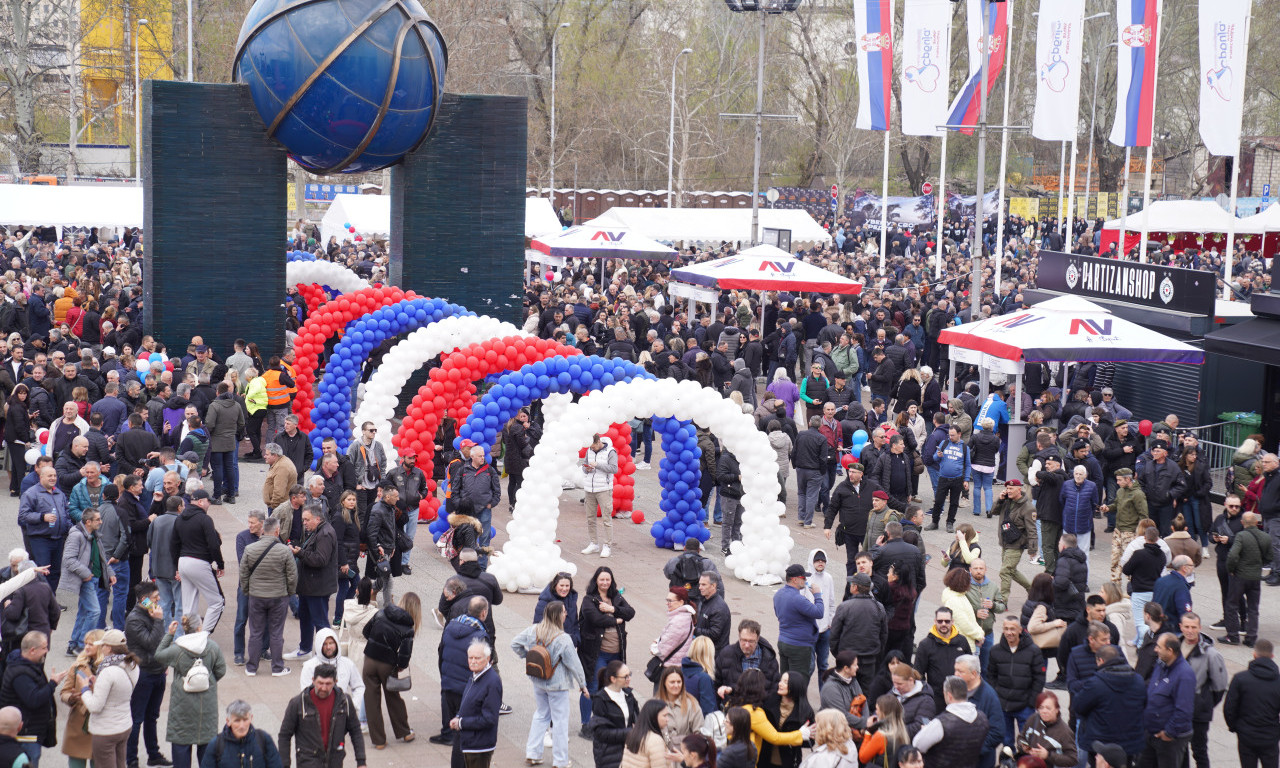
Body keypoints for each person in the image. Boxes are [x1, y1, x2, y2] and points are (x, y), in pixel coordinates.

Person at [512, 600, 588, 768]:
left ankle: (533, 754)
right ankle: (560, 761)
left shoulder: (534, 631)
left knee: (541, 715)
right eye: (564, 611)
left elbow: (514, 643)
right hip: (558, 685)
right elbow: (574, 665)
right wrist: (583, 685)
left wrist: (527, 655)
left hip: (538, 681)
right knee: (560, 721)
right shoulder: (563, 639)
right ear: (558, 616)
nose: (566, 613)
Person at [155, 614, 228, 768]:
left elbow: (159, 655)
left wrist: (169, 635)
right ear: (199, 627)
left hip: (182, 705)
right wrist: (209, 681)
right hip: (206, 705)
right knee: (206, 749)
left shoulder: (177, 649)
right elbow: (221, 669)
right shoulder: (212, 647)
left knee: (181, 743)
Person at [278, 663, 366, 768]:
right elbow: (284, 735)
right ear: (313, 680)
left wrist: (361, 762)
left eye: (328, 684)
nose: (323, 688)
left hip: (335, 761)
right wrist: (284, 764)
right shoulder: (298, 703)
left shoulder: (344, 702)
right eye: (320, 683)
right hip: (308, 762)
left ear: (335, 682)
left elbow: (355, 731)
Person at [240, 516, 297, 677]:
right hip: (278, 596)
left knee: (255, 632)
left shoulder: (250, 549)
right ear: (277, 531)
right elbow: (292, 576)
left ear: (263, 530)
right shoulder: (285, 551)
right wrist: (290, 593)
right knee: (276, 633)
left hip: (256, 595)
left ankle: (251, 667)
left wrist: (247, 590)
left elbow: (243, 574)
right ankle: (277, 667)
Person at [361, 592, 419, 749]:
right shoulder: (408, 628)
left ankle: (379, 741)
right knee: (393, 698)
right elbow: (405, 655)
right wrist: (400, 664)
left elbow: (366, 631)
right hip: (387, 664)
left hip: (369, 660)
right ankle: (404, 732)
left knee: (371, 700)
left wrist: (375, 644)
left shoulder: (381, 613)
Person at [578, 566, 635, 725]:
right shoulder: (589, 600)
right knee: (593, 687)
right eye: (601, 579)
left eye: (607, 579)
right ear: (596, 581)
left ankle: (609, 719)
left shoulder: (616, 597)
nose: (605, 582)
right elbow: (596, 619)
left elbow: (630, 612)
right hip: (598, 653)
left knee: (616, 686)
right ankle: (586, 724)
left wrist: (612, 609)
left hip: (617, 653)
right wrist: (616, 619)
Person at [125, 581, 171, 767]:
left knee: (152, 716)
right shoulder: (135, 619)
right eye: (155, 597)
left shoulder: (152, 612)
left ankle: (153, 754)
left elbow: (162, 642)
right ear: (144, 600)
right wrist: (159, 621)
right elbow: (152, 643)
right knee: (137, 718)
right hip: (143, 674)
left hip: (158, 671)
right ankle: (131, 759)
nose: (158, 599)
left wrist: (164, 662)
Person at [80, 628, 140, 768]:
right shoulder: (132, 665)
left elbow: (95, 706)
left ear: (109, 648)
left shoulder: (107, 671)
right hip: (124, 725)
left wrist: (84, 689)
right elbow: (119, 690)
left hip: (105, 731)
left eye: (103, 645)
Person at [434, 597, 489, 747]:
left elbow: (441, 650)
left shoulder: (451, 625)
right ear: (483, 613)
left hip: (447, 677)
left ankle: (447, 735)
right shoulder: (480, 635)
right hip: (466, 682)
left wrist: (443, 673)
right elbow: (482, 664)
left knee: (447, 706)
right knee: (465, 712)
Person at [286, 506, 338, 661]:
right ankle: (305, 649)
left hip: (318, 588)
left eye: (307, 519)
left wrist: (300, 553)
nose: (304, 523)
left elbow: (320, 559)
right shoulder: (318, 531)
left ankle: (326, 655)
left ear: (318, 518)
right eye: (303, 520)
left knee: (320, 622)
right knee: (306, 618)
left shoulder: (325, 534)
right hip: (308, 586)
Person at [59, 507, 111, 656]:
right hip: (86, 579)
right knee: (95, 611)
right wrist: (86, 573)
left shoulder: (94, 534)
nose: (101, 522)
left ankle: (73, 645)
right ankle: (82, 645)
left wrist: (110, 573)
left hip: (93, 579)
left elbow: (101, 557)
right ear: (88, 521)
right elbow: (68, 559)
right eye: (98, 519)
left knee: (84, 612)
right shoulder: (76, 536)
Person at [725, 668, 810, 760]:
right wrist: (799, 734)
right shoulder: (754, 713)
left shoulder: (731, 704)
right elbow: (775, 737)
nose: (779, 684)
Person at [172, 490, 226, 632]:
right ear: (201, 501)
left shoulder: (179, 518)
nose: (209, 504)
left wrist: (176, 567)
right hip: (199, 562)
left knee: (188, 606)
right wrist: (220, 564)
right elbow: (213, 544)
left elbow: (174, 544)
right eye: (208, 501)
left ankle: (188, 636)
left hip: (183, 562)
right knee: (217, 602)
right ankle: (202, 637)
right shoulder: (204, 519)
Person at [1178, 613, 1227, 768]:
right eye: (1186, 627)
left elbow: (1219, 686)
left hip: (1198, 712)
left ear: (1199, 628)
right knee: (1180, 750)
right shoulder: (1175, 647)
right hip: (1177, 709)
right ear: (1181, 627)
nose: (1190, 630)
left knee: (1199, 750)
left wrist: (1203, 702)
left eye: (1193, 627)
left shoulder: (1210, 654)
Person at [990, 614, 1047, 746]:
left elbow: (1039, 678)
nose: (1009, 632)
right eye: (1006, 629)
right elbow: (991, 676)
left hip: (1025, 707)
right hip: (1003, 706)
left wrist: (1032, 702)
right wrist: (997, 697)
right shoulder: (995, 651)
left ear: (1020, 630)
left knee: (1026, 744)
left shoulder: (1034, 651)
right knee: (1007, 744)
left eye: (1012, 629)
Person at [1140, 633, 1195, 768]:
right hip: (1151, 733)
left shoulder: (1184, 675)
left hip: (1168, 739)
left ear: (1170, 651)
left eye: (1159, 647)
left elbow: (1184, 710)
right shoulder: (1161, 665)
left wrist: (1169, 732)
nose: (1155, 650)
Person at [1224, 637, 1280, 768]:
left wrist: (1235, 727)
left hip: (1246, 735)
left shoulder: (1240, 679)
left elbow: (1229, 708)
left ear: (1254, 655)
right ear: (1272, 656)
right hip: (1270, 736)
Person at [298, 627, 365, 732]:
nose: (328, 647)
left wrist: (352, 706)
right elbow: (305, 692)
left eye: (331, 643)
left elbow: (359, 686)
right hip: (317, 718)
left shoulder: (347, 664)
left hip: (341, 717)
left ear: (337, 643)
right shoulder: (309, 666)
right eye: (324, 644)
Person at [911, 676, 989, 768]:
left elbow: (917, 745)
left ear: (949, 695)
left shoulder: (940, 724)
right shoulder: (982, 719)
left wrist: (925, 731)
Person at [830, 572, 886, 692]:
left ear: (855, 587)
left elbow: (834, 635)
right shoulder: (879, 607)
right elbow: (883, 635)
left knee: (844, 692)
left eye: (851, 583)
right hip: (869, 660)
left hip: (847, 661)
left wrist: (839, 655)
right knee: (864, 695)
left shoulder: (845, 607)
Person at [1222, 512, 1271, 647]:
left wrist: (1231, 569)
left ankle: (1232, 636)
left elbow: (1232, 555)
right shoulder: (1265, 537)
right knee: (1253, 609)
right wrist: (1259, 564)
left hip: (1240, 576)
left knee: (1232, 605)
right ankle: (1251, 638)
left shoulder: (1241, 536)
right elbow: (1270, 556)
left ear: (1242, 523)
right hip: (1255, 577)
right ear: (1256, 523)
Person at [59, 628, 105, 768]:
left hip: (100, 724)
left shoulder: (107, 668)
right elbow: (64, 692)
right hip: (79, 726)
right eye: (85, 643)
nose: (86, 647)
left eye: (91, 644)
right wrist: (70, 698)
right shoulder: (78, 666)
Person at [772, 564, 824, 686]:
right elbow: (819, 612)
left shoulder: (778, 594)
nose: (805, 580)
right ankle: (797, 705)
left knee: (785, 681)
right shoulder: (797, 599)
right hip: (799, 647)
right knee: (798, 685)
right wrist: (817, 595)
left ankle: (784, 704)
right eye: (803, 578)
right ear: (795, 579)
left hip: (784, 642)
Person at [912, 607, 971, 712]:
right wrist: (927, 695)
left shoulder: (962, 641)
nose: (943, 624)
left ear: (952, 622)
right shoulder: (925, 645)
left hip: (960, 697)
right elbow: (918, 674)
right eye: (940, 621)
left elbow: (970, 667)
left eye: (947, 621)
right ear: (935, 621)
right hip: (936, 699)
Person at [953, 653, 1005, 768]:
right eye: (955, 670)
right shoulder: (956, 691)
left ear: (974, 674)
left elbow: (997, 733)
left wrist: (972, 750)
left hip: (980, 762)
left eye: (960, 672)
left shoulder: (989, 697)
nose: (955, 674)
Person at [201, 700, 284, 768]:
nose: (242, 726)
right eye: (237, 721)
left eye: (245, 720)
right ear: (228, 721)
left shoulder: (263, 739)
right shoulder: (216, 744)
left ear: (251, 718)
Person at [991, 479, 1037, 603]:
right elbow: (992, 512)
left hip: (1017, 544)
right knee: (1011, 570)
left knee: (1005, 571)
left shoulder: (1028, 508)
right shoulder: (1006, 501)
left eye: (1011, 489)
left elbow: (1032, 530)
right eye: (1007, 488)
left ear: (1019, 489)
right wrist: (1000, 500)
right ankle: (1032, 589)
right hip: (1005, 541)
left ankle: (1003, 600)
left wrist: (1033, 549)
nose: (1008, 491)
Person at [589, 659, 640, 768]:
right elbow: (601, 733)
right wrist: (629, 733)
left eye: (629, 675)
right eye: (625, 676)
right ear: (613, 679)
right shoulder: (601, 699)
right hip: (608, 755)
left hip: (628, 752)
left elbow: (638, 720)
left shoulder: (629, 695)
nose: (629, 679)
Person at [455, 446, 500, 567]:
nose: (482, 458)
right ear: (472, 456)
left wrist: (492, 503)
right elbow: (455, 490)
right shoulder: (463, 470)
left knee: (484, 539)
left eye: (483, 455)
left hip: (484, 509)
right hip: (467, 511)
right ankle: (468, 566)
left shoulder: (489, 470)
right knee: (467, 539)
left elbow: (497, 490)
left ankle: (482, 568)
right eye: (480, 456)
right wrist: (459, 504)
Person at [714, 620, 780, 702]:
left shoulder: (768, 659)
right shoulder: (726, 655)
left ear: (758, 638)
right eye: (744, 640)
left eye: (751, 641)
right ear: (739, 636)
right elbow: (715, 684)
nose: (747, 645)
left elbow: (774, 690)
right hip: (732, 709)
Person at [760, 671, 814, 768]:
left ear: (795, 685)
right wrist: (796, 736)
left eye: (785, 682)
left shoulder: (805, 711)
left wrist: (798, 738)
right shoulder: (768, 703)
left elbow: (811, 740)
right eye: (781, 680)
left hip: (788, 761)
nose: (780, 684)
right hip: (764, 758)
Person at [581, 434, 618, 559]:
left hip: (604, 489)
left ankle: (607, 545)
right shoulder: (589, 450)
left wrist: (598, 465)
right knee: (590, 518)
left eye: (594, 447)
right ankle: (594, 543)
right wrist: (587, 469)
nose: (592, 449)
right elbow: (584, 465)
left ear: (598, 442)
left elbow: (614, 468)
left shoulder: (610, 452)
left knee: (606, 518)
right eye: (590, 447)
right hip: (589, 488)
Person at [1015, 691, 1077, 767]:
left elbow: (1072, 759)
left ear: (1057, 710)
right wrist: (1025, 748)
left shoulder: (1064, 732)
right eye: (1041, 708)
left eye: (1048, 708)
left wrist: (1048, 755)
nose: (1044, 711)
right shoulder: (1033, 719)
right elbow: (1021, 737)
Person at [1108, 468, 1149, 584]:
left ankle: (1133, 585)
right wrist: (1108, 508)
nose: (1117, 482)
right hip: (1118, 531)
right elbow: (1116, 504)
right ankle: (1115, 584)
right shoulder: (1120, 491)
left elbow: (1144, 516)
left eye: (1120, 480)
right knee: (1114, 559)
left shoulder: (1138, 494)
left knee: (1129, 561)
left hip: (1130, 532)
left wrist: (1140, 534)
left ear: (1128, 479)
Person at [927, 426, 970, 533]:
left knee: (954, 503)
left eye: (953, 435)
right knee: (938, 501)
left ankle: (950, 523)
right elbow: (935, 458)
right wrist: (938, 455)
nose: (950, 437)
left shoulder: (964, 447)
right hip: (943, 478)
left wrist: (966, 480)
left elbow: (968, 465)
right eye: (949, 435)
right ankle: (935, 522)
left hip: (957, 479)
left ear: (959, 434)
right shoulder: (944, 443)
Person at [618, 699, 678, 768]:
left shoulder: (633, 734)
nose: (667, 719)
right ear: (653, 717)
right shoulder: (655, 740)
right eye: (664, 716)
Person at [649, 587, 696, 673]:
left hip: (670, 669)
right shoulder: (685, 616)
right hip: (677, 665)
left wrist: (653, 647)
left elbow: (662, 651)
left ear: (681, 602)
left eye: (670, 601)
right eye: (667, 600)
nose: (667, 603)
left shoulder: (678, 622)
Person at [857, 693, 910, 768]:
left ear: (883, 713)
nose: (876, 712)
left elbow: (863, 758)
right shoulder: (903, 732)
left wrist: (868, 732)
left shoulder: (881, 736)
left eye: (877, 709)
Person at [654, 666, 703, 742]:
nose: (676, 685)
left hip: (685, 751)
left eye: (679, 682)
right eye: (672, 682)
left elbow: (699, 733)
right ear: (664, 683)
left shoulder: (692, 704)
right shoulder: (654, 704)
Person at [693, 572, 732, 653]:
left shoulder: (719, 608)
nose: (700, 587)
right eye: (699, 584)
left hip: (714, 654)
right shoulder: (704, 600)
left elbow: (714, 634)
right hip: (705, 649)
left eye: (703, 585)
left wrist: (694, 630)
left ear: (713, 586)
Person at [1152, 556, 1195, 627]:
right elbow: (1185, 612)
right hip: (1172, 627)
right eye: (1191, 565)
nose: (1193, 568)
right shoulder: (1181, 586)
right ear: (1184, 568)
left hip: (1158, 625)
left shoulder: (1161, 581)